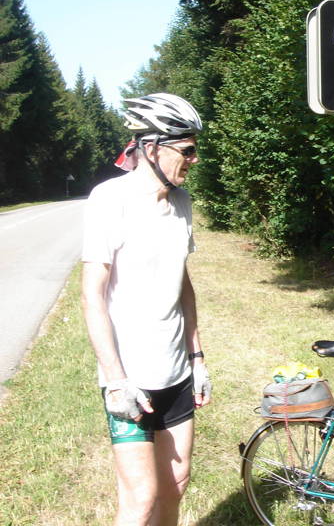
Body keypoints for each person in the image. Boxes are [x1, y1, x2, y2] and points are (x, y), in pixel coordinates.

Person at [81, 93, 212, 526]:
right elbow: (92, 295)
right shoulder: (109, 199)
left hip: (175, 372)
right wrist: (116, 381)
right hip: (130, 378)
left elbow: (183, 283)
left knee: (176, 484)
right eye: (187, 150)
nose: (194, 159)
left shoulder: (182, 203)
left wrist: (197, 357)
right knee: (140, 500)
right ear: (152, 147)